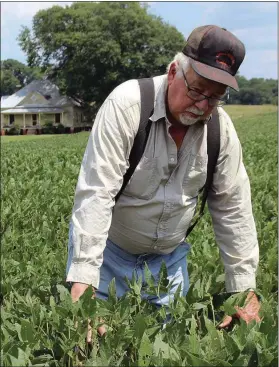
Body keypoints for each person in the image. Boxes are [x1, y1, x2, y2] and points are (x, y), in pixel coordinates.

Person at [66, 25, 260, 341]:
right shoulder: (128, 105)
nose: (202, 105)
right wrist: (84, 277)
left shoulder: (220, 130)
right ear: (173, 72)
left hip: (170, 264)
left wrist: (242, 288)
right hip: (108, 257)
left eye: (215, 97)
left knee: (168, 347)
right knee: (91, 344)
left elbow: (233, 209)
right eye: (197, 90)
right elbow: (97, 192)